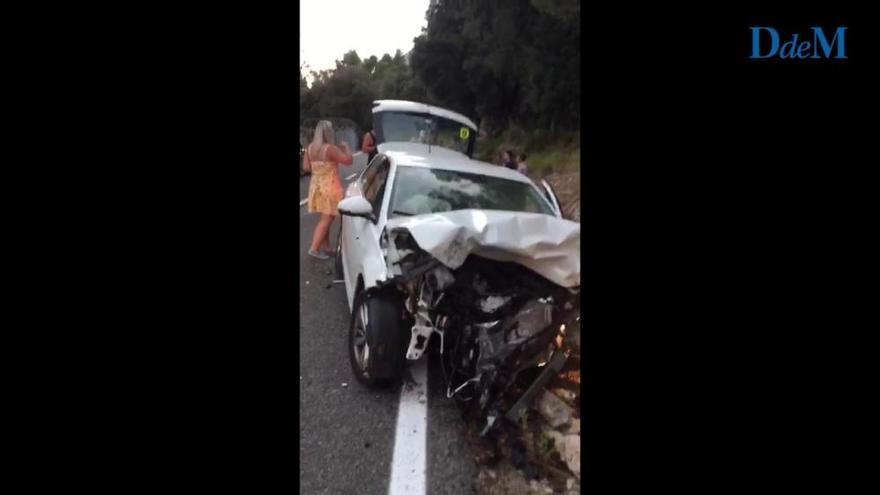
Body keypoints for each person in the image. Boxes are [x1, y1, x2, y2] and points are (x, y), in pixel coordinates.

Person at [304, 120, 353, 259]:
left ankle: (326, 248)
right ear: (328, 132)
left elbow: (306, 168)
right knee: (327, 218)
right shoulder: (329, 148)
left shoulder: (310, 148)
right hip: (330, 187)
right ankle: (314, 248)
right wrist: (346, 148)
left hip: (316, 187)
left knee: (324, 217)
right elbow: (348, 161)